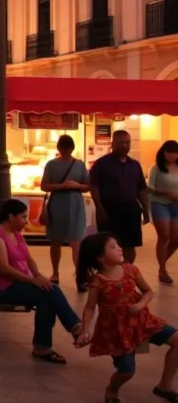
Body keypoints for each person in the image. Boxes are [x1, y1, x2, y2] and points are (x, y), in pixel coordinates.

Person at [75, 232, 178, 403]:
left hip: (143, 321)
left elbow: (148, 291)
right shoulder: (98, 281)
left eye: (118, 244)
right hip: (118, 332)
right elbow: (90, 307)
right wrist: (86, 330)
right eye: (113, 247)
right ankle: (112, 389)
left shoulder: (131, 269)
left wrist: (140, 305)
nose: (120, 248)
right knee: (127, 371)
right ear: (101, 257)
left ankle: (164, 386)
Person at [0, 199, 83, 363]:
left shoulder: (17, 235)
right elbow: (3, 269)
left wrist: (38, 276)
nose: (26, 221)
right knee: (51, 291)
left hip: (20, 283)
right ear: (11, 217)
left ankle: (43, 347)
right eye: (23, 217)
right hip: (1, 287)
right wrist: (32, 280)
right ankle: (74, 327)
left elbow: (29, 260)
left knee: (47, 294)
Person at [90, 130, 150, 264]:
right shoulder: (101, 164)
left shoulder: (134, 165)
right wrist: (100, 209)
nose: (124, 145)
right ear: (113, 144)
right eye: (121, 143)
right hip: (109, 211)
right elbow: (93, 187)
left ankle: (126, 275)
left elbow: (141, 188)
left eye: (127, 142)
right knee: (108, 246)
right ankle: (110, 277)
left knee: (130, 246)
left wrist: (146, 210)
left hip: (131, 211)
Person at [40, 134, 90, 287]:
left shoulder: (72, 164)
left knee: (61, 241)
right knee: (71, 241)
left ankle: (59, 273)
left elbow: (88, 185)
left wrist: (74, 186)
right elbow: (44, 186)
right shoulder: (75, 164)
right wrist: (67, 186)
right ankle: (77, 276)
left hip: (63, 202)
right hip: (67, 202)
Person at [149, 140, 178, 284]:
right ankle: (162, 269)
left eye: (175, 153)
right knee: (164, 235)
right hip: (160, 203)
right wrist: (166, 193)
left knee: (176, 238)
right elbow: (149, 188)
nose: (172, 156)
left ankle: (162, 263)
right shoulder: (157, 168)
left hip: (176, 205)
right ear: (163, 153)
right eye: (169, 152)